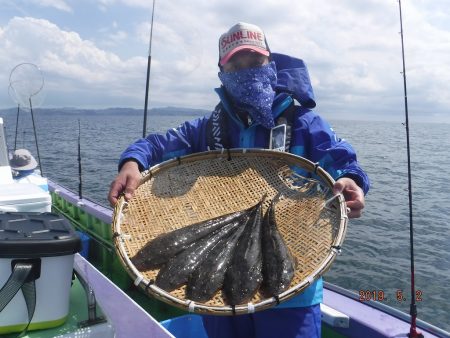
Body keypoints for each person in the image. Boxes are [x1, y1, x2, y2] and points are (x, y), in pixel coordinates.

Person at [108, 22, 369, 338]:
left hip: (292, 295)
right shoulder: (207, 128)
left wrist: (351, 181)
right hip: (221, 288)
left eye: (254, 62)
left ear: (270, 64)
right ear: (222, 70)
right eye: (236, 63)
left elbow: (341, 160)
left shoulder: (304, 124)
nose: (246, 70)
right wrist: (133, 162)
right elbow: (156, 144)